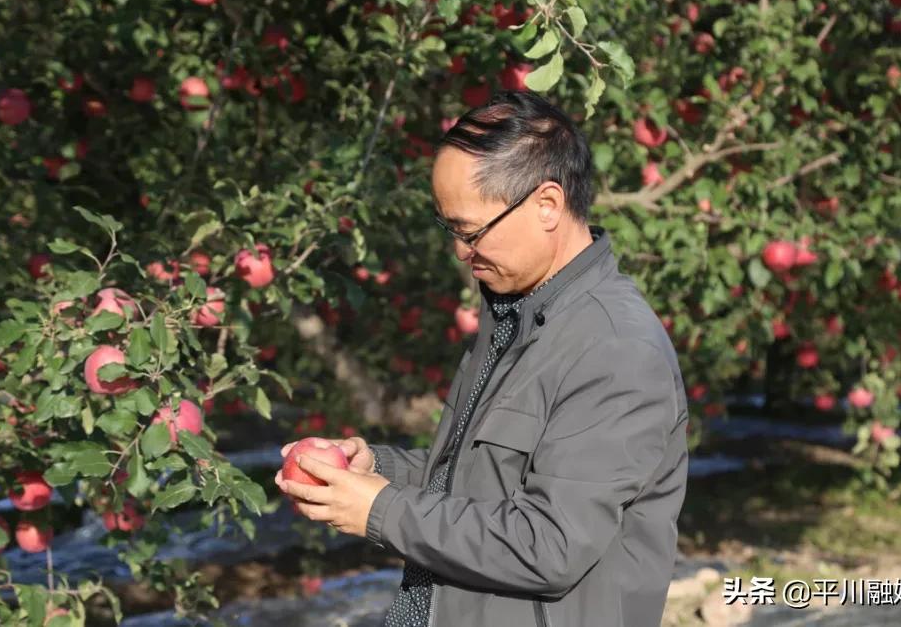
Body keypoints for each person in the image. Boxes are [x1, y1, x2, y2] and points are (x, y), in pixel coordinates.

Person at [276, 90, 689, 627]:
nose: (460, 251)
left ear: (547, 205)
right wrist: (379, 469)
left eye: (471, 232)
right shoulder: (516, 319)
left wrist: (382, 511)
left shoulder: (614, 349)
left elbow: (550, 545)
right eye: (451, 230)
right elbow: (480, 481)